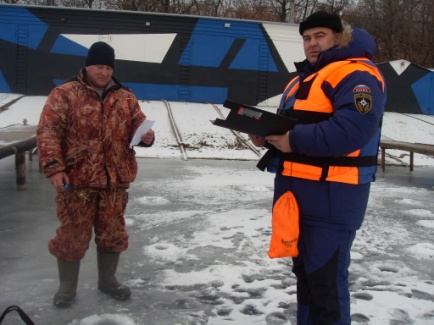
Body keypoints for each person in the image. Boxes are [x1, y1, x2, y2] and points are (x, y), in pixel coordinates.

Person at [249, 11, 386, 325]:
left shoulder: (357, 75)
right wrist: (268, 137)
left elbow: (351, 131)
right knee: (307, 278)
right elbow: (290, 127)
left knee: (326, 282)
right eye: (307, 38)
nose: (312, 44)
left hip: (333, 197)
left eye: (319, 36)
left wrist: (291, 140)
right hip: (296, 197)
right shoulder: (301, 79)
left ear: (339, 37)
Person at [37, 41, 155, 308]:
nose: (104, 72)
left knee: (112, 233)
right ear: (88, 66)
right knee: (72, 234)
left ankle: (108, 280)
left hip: (115, 181)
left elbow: (139, 125)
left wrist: (147, 137)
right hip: (77, 181)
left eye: (108, 67)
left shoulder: (125, 97)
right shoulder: (65, 94)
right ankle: (67, 287)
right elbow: (48, 132)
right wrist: (55, 168)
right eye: (99, 66)